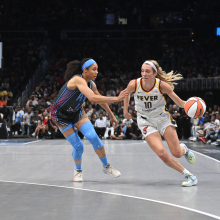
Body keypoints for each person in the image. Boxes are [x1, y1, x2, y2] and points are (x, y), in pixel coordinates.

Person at [51, 58, 128, 182]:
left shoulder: (92, 84)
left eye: (97, 69)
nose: (97, 72)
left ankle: (106, 166)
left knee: (93, 137)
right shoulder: (77, 80)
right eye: (94, 69)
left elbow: (99, 98)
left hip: (76, 111)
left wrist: (111, 115)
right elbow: (93, 99)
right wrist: (117, 98)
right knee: (79, 147)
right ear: (85, 70)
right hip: (60, 115)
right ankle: (78, 170)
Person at [123, 60, 197, 187]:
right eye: (142, 71)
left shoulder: (162, 86)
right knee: (162, 154)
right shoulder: (134, 84)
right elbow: (126, 94)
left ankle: (183, 149)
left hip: (163, 119)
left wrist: (195, 105)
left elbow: (180, 103)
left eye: (147, 71)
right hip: (145, 121)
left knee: (177, 153)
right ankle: (189, 175)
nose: (144, 74)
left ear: (155, 73)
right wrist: (125, 111)